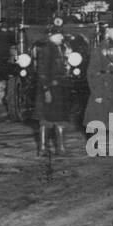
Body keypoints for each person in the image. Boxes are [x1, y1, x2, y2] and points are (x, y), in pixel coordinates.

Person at [84, 22, 113, 129]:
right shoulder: (99, 50)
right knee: (100, 120)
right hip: (103, 89)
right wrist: (97, 94)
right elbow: (92, 73)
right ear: (108, 32)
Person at [35, 24, 70, 156]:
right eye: (59, 34)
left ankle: (58, 148)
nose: (62, 36)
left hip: (58, 89)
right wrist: (46, 90)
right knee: (46, 119)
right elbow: (42, 72)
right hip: (50, 89)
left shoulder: (58, 48)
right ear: (52, 36)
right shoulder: (47, 49)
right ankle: (44, 148)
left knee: (58, 118)